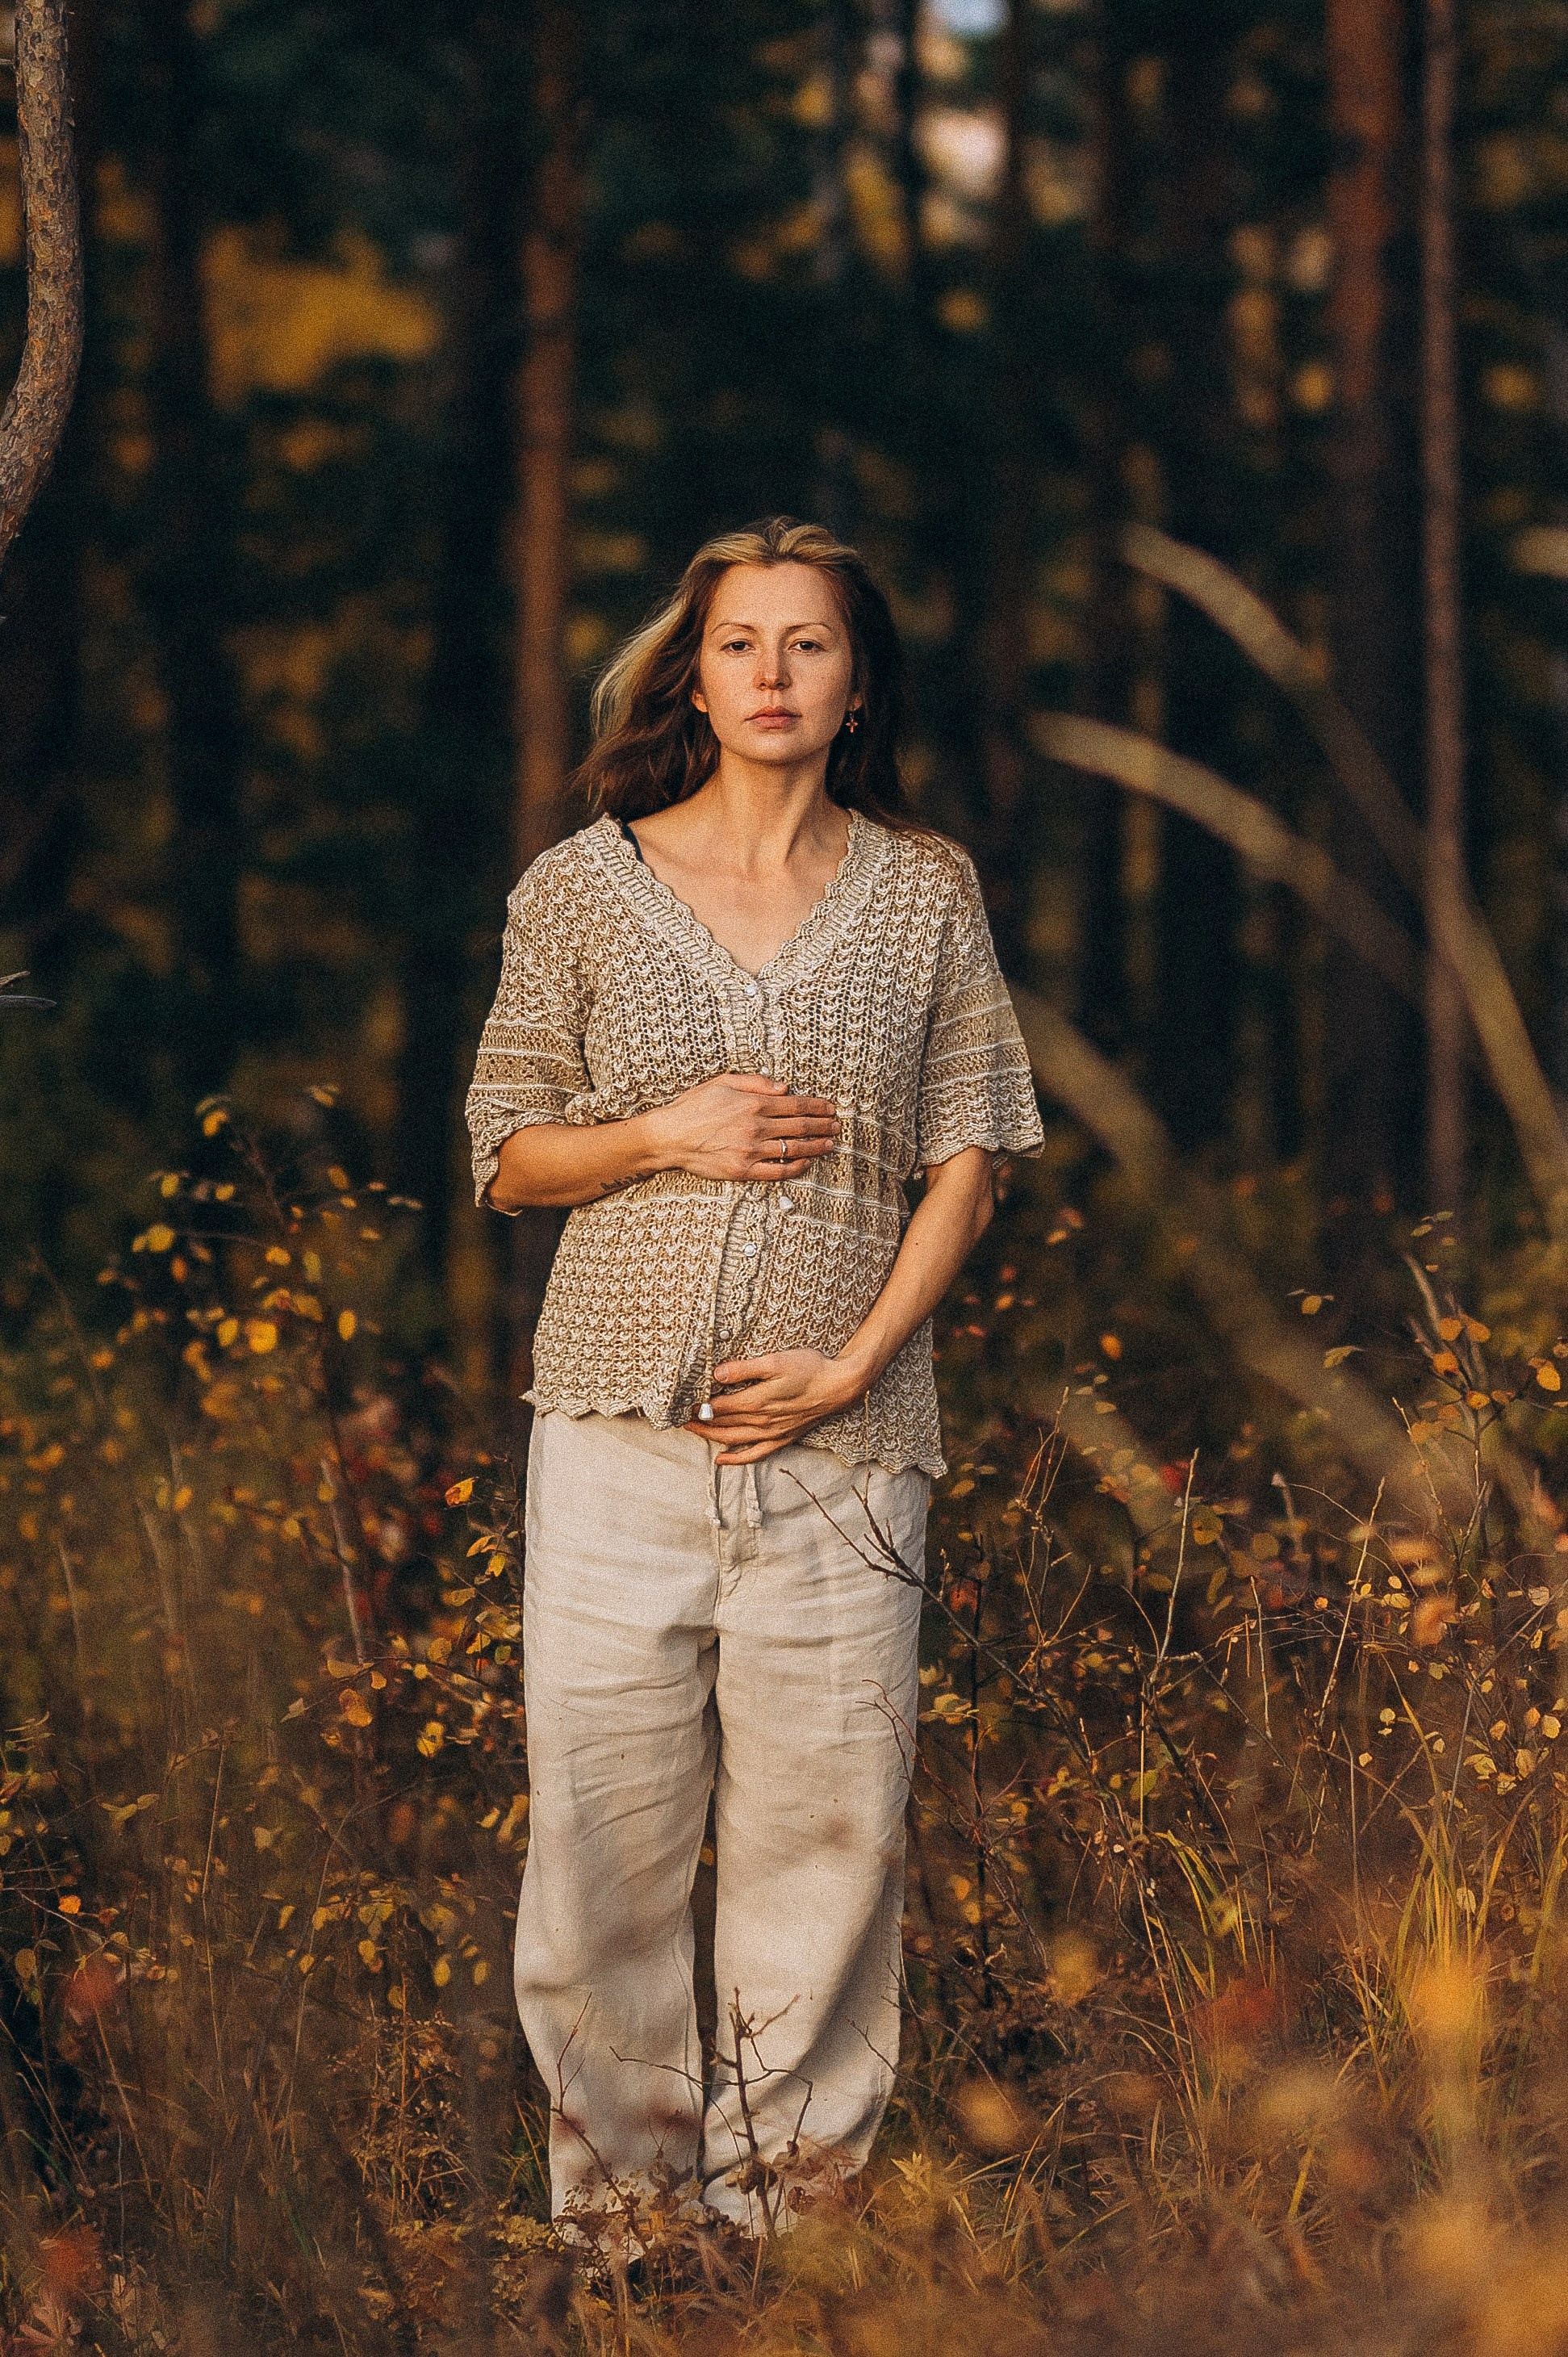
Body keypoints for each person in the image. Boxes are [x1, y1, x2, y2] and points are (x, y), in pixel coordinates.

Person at [465, 516, 1042, 2241]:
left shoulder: (925, 889)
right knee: (602, 1856)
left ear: (858, 686)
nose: (773, 673)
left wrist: (856, 1364)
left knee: (828, 1851)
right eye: (739, 642)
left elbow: (972, 1154)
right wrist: (668, 1131)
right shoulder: (583, 886)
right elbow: (507, 1153)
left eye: (809, 643)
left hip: (848, 1457)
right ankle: (625, 2243)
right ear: (695, 676)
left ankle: (786, 2245)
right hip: (617, 1445)